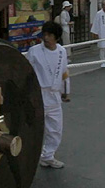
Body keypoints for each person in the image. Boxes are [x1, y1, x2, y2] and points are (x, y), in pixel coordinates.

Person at [25, 21, 68, 169]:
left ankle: (48, 156)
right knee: (33, 129)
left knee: (56, 128)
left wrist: (65, 91)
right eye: (45, 34)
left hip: (55, 95)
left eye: (50, 35)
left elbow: (64, 72)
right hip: (39, 95)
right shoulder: (34, 51)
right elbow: (26, 72)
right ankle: (26, 158)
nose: (46, 37)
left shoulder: (62, 51)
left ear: (56, 37)